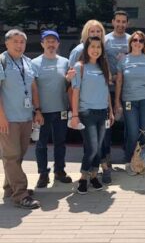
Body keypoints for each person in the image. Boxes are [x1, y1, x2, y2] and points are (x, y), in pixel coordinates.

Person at [0, 29, 43, 209]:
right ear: (7, 43)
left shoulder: (27, 62)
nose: (19, 45)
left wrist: (38, 110)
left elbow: (33, 88)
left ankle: (9, 187)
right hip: (8, 118)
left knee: (20, 154)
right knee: (11, 155)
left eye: (22, 42)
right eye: (15, 42)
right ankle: (21, 194)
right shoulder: (2, 62)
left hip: (25, 117)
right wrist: (1, 116)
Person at [70, 36, 114, 194]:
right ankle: (83, 177)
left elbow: (106, 91)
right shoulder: (79, 66)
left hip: (102, 112)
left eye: (98, 47)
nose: (95, 50)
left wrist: (110, 111)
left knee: (97, 148)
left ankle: (94, 176)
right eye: (92, 46)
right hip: (86, 113)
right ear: (86, 49)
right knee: (92, 147)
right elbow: (75, 92)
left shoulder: (104, 66)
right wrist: (75, 115)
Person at [32, 30, 73, 188]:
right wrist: (37, 110)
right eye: (47, 41)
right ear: (42, 43)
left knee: (60, 143)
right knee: (41, 144)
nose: (50, 44)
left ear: (58, 44)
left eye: (53, 41)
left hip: (61, 110)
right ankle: (43, 174)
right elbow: (32, 88)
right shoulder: (34, 63)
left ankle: (59, 171)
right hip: (42, 112)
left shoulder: (65, 62)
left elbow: (69, 85)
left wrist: (69, 80)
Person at [114, 31, 145, 175]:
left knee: (144, 131)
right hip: (129, 100)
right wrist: (117, 101)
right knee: (132, 132)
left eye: (141, 40)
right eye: (135, 40)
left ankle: (140, 161)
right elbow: (119, 81)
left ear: (144, 44)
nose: (138, 42)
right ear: (130, 42)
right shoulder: (123, 60)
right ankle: (128, 160)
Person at [103, 10, 130, 180]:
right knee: (108, 124)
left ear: (127, 23)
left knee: (129, 123)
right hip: (109, 87)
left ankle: (129, 156)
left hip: (127, 88)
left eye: (123, 22)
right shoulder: (105, 40)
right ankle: (107, 159)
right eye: (117, 21)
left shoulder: (131, 39)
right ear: (113, 22)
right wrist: (109, 77)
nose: (120, 24)